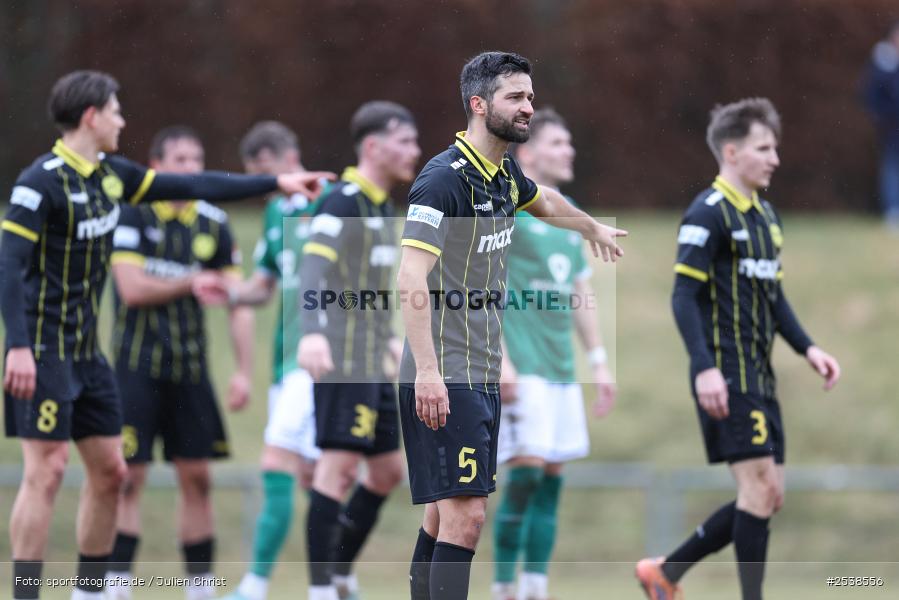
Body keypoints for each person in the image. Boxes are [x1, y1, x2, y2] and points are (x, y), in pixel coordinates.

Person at [0, 69, 329, 600]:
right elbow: (8, 266)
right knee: (48, 471)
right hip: (42, 353)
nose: (121, 119)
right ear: (91, 116)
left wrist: (276, 182)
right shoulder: (39, 183)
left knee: (110, 473)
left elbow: (195, 185)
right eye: (115, 110)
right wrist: (16, 345)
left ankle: (88, 592)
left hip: (89, 357)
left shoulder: (114, 176)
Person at [396, 51, 626, 600]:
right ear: (478, 105)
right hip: (446, 371)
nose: (529, 107)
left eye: (530, 96)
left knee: (442, 515)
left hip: (479, 368)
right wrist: (427, 372)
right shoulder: (441, 182)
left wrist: (589, 226)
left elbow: (542, 199)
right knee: (467, 518)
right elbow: (409, 278)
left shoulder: (503, 173)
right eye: (515, 98)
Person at [635, 98, 841, 600]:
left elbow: (773, 296)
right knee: (757, 491)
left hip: (761, 376)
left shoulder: (767, 217)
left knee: (770, 496)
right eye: (763, 148)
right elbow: (682, 296)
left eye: (775, 148)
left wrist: (807, 347)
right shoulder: (707, 213)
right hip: (726, 374)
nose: (774, 158)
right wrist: (703, 368)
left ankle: (665, 573)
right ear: (731, 151)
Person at [103, 126, 255, 600]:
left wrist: (244, 370)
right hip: (135, 370)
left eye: (198, 159)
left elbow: (237, 300)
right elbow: (130, 289)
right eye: (182, 160)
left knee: (198, 480)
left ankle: (200, 589)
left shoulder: (214, 221)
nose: (192, 169)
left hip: (190, 372)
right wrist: (192, 280)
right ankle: (115, 585)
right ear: (157, 166)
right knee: (126, 478)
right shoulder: (132, 213)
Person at [491, 108, 618, 600]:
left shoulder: (572, 215)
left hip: (562, 371)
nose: (569, 152)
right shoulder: (509, 207)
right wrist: (500, 358)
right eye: (558, 143)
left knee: (551, 482)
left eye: (570, 143)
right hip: (524, 368)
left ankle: (535, 589)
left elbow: (579, 294)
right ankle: (504, 588)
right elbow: (481, 285)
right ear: (527, 152)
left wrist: (600, 361)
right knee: (523, 477)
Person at [297, 100, 420, 600]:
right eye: (405, 141)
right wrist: (311, 332)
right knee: (339, 469)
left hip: (372, 360)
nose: (414, 150)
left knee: (388, 471)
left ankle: (340, 570)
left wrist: (388, 333)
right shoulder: (342, 200)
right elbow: (312, 268)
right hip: (342, 361)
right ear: (373, 146)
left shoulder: (380, 205)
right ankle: (321, 589)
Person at [212, 121, 324, 600]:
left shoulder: (332, 199)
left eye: (262, 172)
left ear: (285, 157)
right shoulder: (277, 212)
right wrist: (229, 291)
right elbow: (263, 285)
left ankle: (254, 585)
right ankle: (341, 582)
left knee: (278, 461)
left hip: (320, 361)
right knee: (316, 478)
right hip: (286, 362)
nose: (261, 185)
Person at [863, 20, 899, 229]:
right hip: (891, 129)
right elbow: (871, 96)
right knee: (891, 170)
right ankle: (893, 211)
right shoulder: (883, 63)